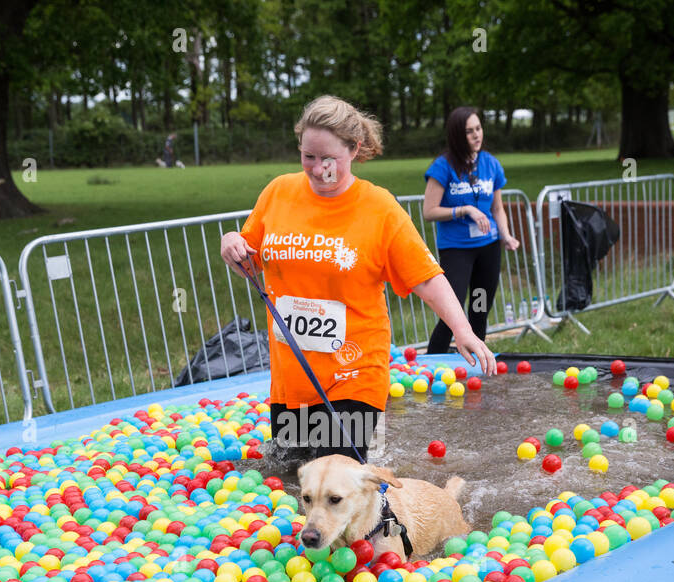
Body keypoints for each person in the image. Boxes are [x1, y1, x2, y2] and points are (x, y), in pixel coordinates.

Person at [219, 95, 497, 462]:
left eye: (328, 159)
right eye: (308, 157)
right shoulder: (278, 193)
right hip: (295, 375)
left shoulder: (380, 209)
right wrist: (232, 243)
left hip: (355, 371)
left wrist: (462, 330)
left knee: (337, 478)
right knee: (291, 476)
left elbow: (426, 278)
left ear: (354, 149)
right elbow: (251, 260)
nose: (318, 170)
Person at [422, 107, 520, 355]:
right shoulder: (443, 166)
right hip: (456, 249)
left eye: (478, 128)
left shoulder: (490, 163)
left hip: (488, 248)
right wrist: (463, 210)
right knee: (450, 311)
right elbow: (429, 211)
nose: (476, 135)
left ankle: (476, 365)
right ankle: (432, 364)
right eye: (469, 131)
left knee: (479, 308)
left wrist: (506, 235)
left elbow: (497, 208)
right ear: (457, 135)